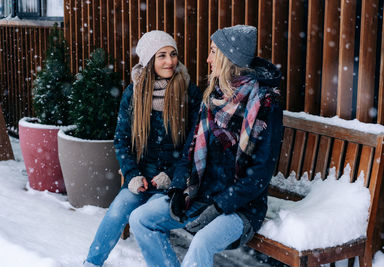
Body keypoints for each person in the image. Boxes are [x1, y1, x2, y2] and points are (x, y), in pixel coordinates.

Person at [129, 24, 283, 267]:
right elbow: (188, 152)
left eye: (213, 52)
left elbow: (258, 176)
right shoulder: (214, 96)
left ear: (227, 58)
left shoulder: (264, 104)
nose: (208, 58)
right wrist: (179, 189)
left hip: (241, 207)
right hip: (201, 194)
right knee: (140, 218)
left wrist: (220, 205)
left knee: (201, 242)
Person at [83, 30, 202, 267]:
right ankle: (91, 263)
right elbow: (121, 140)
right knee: (117, 211)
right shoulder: (134, 93)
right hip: (141, 178)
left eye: (173, 54)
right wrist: (132, 174)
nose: (170, 61)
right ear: (149, 61)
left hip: (174, 183)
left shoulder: (188, 93)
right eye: (162, 56)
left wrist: (170, 177)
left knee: (145, 219)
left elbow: (194, 145)